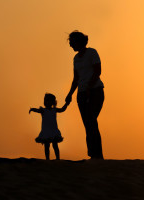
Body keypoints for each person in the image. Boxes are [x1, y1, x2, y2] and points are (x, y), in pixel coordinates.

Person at [65, 31, 105, 159]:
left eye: (72, 42)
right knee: (88, 123)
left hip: (95, 91)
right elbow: (76, 78)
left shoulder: (92, 53)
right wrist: (70, 94)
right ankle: (93, 154)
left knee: (91, 121)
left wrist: (89, 86)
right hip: (81, 94)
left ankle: (97, 154)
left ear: (78, 41)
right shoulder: (75, 59)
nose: (70, 45)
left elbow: (98, 71)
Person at [29, 93, 69, 160]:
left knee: (55, 145)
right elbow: (38, 110)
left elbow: (62, 109)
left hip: (54, 130)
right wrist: (32, 109)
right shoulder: (43, 110)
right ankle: (47, 159)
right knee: (46, 145)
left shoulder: (54, 110)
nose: (47, 102)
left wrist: (66, 104)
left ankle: (58, 158)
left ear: (52, 102)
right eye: (46, 100)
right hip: (46, 131)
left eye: (48, 100)